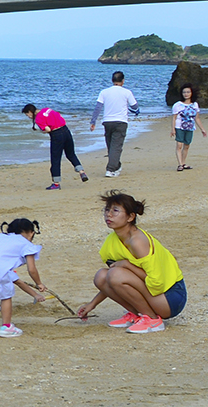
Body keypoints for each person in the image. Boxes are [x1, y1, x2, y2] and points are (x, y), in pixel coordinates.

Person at [76, 191, 188, 334]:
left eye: (115, 211)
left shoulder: (138, 241)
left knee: (115, 273)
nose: (108, 215)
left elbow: (157, 281)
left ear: (130, 217)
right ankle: (137, 314)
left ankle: (152, 320)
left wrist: (127, 265)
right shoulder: (112, 240)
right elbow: (111, 281)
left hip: (170, 296)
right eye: (107, 210)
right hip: (154, 293)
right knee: (101, 276)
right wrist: (92, 304)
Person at [22, 104, 89, 189]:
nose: (28, 116)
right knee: (71, 154)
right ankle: (81, 171)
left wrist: (43, 131)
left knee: (55, 159)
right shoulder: (47, 109)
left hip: (56, 135)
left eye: (27, 114)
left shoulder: (38, 119)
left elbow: (48, 129)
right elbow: (58, 116)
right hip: (66, 131)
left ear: (30, 112)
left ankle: (56, 183)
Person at [89, 71, 140, 177]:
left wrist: (93, 121)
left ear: (112, 80)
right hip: (121, 122)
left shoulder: (104, 92)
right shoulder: (127, 92)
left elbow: (98, 107)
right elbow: (135, 106)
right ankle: (110, 169)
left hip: (107, 122)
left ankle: (116, 166)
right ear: (123, 81)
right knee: (116, 146)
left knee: (111, 145)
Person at [170, 85, 207, 171]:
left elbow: (197, 118)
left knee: (186, 145)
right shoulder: (177, 105)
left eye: (188, 92)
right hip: (179, 127)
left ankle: (183, 163)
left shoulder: (195, 105)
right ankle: (180, 164)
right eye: (184, 92)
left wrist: (202, 129)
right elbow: (174, 118)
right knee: (179, 145)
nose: (186, 94)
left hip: (190, 127)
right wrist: (173, 129)